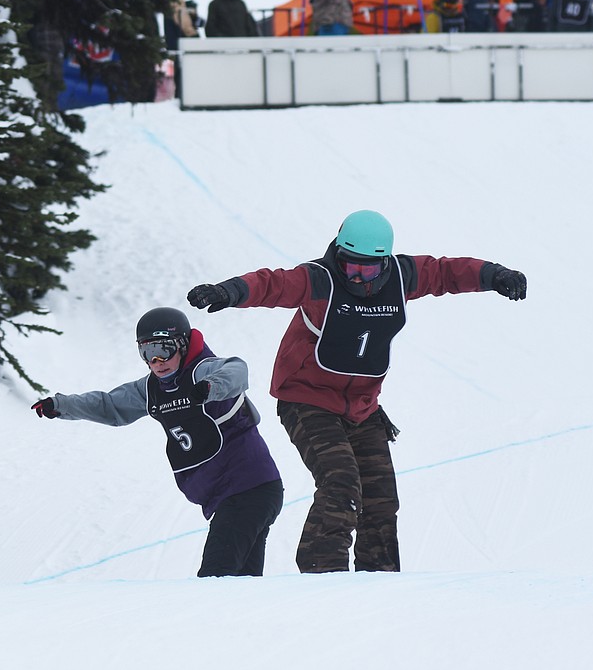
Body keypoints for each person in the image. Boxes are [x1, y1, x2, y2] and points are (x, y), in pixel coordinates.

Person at [185, 210, 527, 575]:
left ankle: (377, 581)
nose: (357, 276)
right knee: (341, 482)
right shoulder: (321, 280)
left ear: (385, 262)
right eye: (349, 266)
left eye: (368, 269)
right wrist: (229, 291)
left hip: (362, 407)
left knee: (381, 499)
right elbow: (273, 284)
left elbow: (446, 272)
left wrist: (495, 275)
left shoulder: (402, 276)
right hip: (306, 399)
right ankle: (322, 574)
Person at [31, 307, 283, 578]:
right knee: (241, 584)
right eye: (147, 353)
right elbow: (110, 405)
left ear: (183, 345)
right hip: (234, 495)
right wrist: (61, 405)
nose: (157, 361)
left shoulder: (203, 371)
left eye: (164, 349)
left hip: (248, 489)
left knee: (215, 580)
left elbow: (236, 370)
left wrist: (212, 388)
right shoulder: (151, 389)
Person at [163, 0, 199, 98]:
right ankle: (183, 98)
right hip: (181, 40)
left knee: (184, 72)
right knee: (183, 72)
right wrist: (194, 34)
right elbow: (181, 20)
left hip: (179, 39)